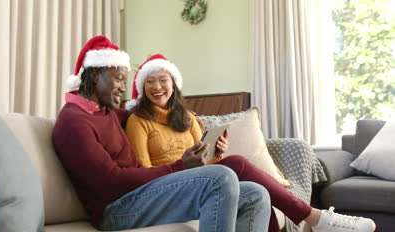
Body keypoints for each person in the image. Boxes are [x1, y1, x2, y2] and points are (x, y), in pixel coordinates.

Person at [125, 54, 377, 232]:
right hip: (165, 193)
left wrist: (216, 156)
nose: (157, 87)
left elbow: (202, 167)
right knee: (237, 164)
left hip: (197, 184)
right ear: (142, 87)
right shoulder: (138, 121)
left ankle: (318, 220)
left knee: (256, 192)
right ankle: (316, 218)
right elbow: (146, 176)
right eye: (150, 81)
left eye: (163, 80)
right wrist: (187, 166)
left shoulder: (187, 119)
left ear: (174, 84)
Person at [53, 36, 272, 232]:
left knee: (255, 195)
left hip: (141, 195)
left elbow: (146, 113)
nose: (123, 87)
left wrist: (190, 120)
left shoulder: (106, 111)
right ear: (94, 77)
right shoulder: (74, 122)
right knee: (220, 178)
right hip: (116, 209)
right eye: (118, 79)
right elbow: (110, 182)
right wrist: (180, 166)